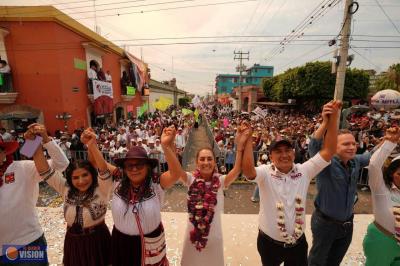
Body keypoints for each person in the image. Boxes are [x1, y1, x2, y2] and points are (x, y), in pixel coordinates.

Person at [242, 101, 341, 266]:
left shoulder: (304, 171)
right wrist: (246, 142)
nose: (284, 155)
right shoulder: (265, 172)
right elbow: (248, 172)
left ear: (294, 154)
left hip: (297, 244)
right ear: (271, 157)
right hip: (269, 243)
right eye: (278, 152)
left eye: (287, 150)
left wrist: (332, 119)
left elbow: (329, 151)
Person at [160, 124, 250, 266]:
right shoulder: (190, 179)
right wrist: (169, 144)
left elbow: (237, 169)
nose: (206, 162)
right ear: (197, 162)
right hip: (192, 239)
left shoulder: (220, 181)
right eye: (202, 159)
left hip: (214, 239)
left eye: (209, 159)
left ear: (215, 162)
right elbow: (175, 169)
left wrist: (239, 147)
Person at [86, 127, 178, 266]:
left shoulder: (156, 182)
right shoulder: (118, 178)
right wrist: (91, 144)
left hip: (150, 242)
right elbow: (95, 162)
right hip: (121, 243)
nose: (134, 169)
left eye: (139, 165)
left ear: (148, 167)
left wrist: (165, 145)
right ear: (124, 168)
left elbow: (175, 174)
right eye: (130, 166)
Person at [30, 129, 112, 266]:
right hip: (73, 241)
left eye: (85, 175)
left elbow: (103, 170)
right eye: (75, 177)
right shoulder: (66, 188)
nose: (81, 181)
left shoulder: (102, 188)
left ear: (92, 175)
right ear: (69, 179)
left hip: (98, 240)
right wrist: (32, 141)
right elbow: (43, 169)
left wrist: (92, 145)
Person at [308, 108, 377, 266]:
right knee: (317, 261)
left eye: (354, 143)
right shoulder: (326, 164)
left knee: (334, 261)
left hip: (347, 224)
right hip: (325, 224)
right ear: (332, 146)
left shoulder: (356, 161)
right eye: (346, 144)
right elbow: (314, 147)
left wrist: (388, 141)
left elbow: (371, 156)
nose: (352, 147)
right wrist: (326, 122)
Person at [0, 123, 69, 265]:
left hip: (28, 243)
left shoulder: (22, 168)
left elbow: (61, 164)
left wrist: (44, 139)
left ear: (3, 153)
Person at [363, 126, 400, 266]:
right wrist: (390, 143)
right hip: (381, 241)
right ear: (391, 173)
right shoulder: (380, 188)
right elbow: (374, 165)